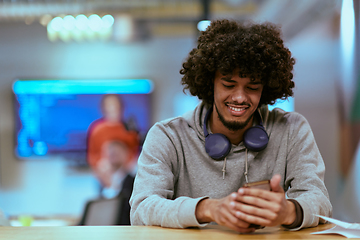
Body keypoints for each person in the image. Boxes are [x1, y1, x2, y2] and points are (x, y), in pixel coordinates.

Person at [129, 19, 332, 233]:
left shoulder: (292, 129)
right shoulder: (168, 136)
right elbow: (142, 208)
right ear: (210, 83)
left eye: (252, 87)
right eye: (228, 84)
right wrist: (207, 209)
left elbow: (319, 200)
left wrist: (288, 211)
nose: (239, 97)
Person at [87, 94, 139, 192]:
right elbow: (92, 156)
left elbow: (133, 153)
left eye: (115, 105)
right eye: (109, 105)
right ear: (103, 108)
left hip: (125, 174)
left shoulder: (129, 129)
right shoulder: (97, 130)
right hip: (103, 175)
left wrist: (122, 172)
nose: (113, 108)